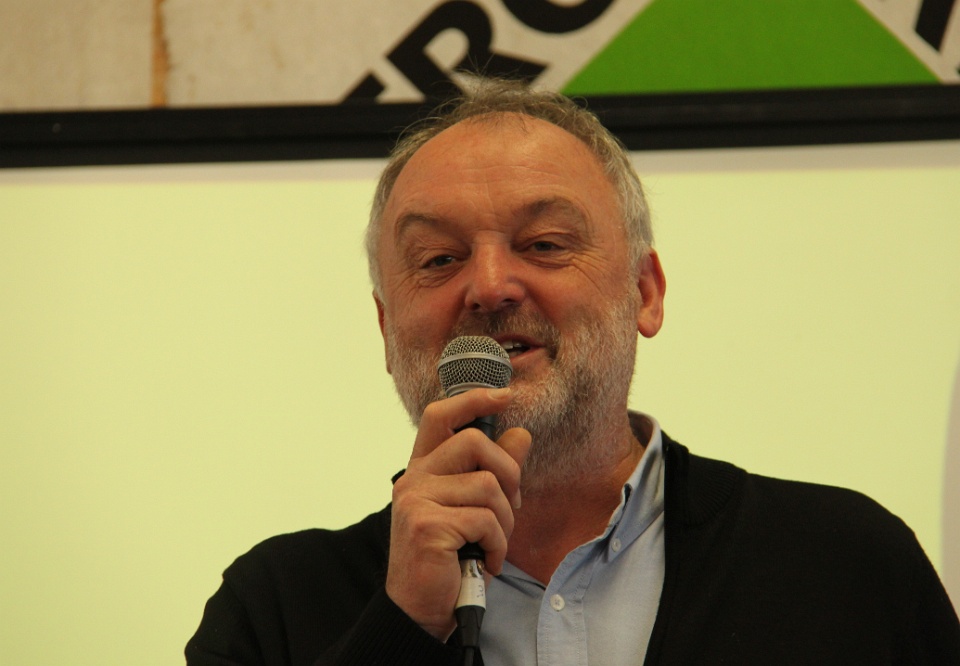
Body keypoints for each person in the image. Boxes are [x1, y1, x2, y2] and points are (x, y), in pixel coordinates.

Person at [185, 79, 960, 665]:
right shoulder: (272, 609)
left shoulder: (848, 567)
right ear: (388, 331)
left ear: (645, 293)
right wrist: (403, 626)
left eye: (546, 245)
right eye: (440, 259)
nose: (490, 286)